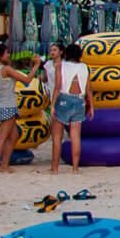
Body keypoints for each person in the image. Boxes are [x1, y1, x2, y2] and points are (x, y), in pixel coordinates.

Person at [0, 41, 40, 173]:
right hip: (8, 105)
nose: (9, 55)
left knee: (14, 135)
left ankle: (4, 165)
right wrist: (36, 66)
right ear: (0, 55)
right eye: (6, 53)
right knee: (3, 137)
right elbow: (27, 80)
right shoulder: (5, 69)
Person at [50, 43, 93, 174]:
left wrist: (52, 105)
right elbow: (88, 89)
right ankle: (75, 168)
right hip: (79, 101)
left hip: (64, 99)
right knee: (75, 136)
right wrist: (91, 106)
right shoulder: (85, 67)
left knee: (57, 137)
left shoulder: (60, 65)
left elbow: (57, 86)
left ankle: (55, 168)